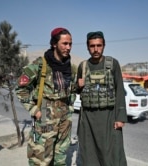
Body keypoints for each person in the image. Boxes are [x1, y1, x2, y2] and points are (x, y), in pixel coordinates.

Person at [15, 27, 76, 166]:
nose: (68, 47)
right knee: (40, 161)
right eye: (64, 43)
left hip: (64, 121)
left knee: (60, 159)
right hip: (44, 119)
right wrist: (33, 109)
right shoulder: (41, 65)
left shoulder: (70, 68)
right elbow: (20, 88)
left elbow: (70, 91)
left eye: (70, 44)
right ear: (54, 44)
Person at [76, 31, 128, 166]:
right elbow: (77, 90)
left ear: (104, 46)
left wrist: (120, 117)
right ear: (87, 47)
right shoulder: (83, 66)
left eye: (99, 45)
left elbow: (120, 91)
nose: (96, 49)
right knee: (89, 153)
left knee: (112, 153)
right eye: (92, 46)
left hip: (109, 117)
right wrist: (77, 85)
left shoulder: (113, 64)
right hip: (88, 118)